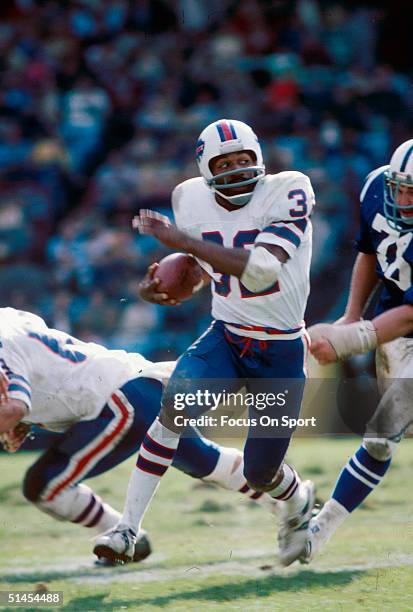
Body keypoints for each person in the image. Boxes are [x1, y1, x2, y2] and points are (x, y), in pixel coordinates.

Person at [96, 119, 316, 566]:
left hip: (280, 350)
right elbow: (202, 269)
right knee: (172, 410)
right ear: (205, 167)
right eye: (225, 162)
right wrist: (157, 287)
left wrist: (180, 239)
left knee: (261, 471)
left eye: (244, 160)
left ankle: (297, 500)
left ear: (260, 159)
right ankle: (126, 529)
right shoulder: (188, 196)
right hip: (228, 336)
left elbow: (260, 270)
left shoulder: (289, 188)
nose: (237, 169)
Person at [0, 306, 280, 565]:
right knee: (206, 461)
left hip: (117, 400)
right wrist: (25, 418)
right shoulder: (9, 319)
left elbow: (16, 403)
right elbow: (35, 374)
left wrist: (18, 414)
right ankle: (294, 501)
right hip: (129, 382)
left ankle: (122, 537)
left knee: (45, 484)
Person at [297, 139, 413, 563]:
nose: (402, 198)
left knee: (383, 431)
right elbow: (369, 253)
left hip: (403, 322)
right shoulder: (374, 188)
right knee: (382, 441)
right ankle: (317, 532)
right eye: (400, 186)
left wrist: (354, 338)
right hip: (394, 325)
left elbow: (408, 317)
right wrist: (351, 315)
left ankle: (318, 530)